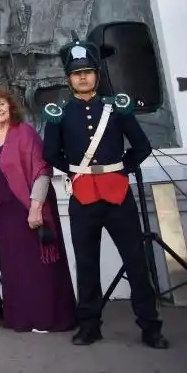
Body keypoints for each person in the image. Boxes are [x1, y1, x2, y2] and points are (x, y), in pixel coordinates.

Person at [42, 38, 168, 349]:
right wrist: (76, 171)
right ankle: (89, 325)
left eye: (87, 71)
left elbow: (142, 146)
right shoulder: (60, 113)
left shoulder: (116, 108)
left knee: (136, 263)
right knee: (86, 264)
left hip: (117, 195)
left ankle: (150, 327)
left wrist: (120, 170)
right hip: (83, 196)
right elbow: (50, 152)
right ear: (68, 78)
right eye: (76, 73)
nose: (82, 77)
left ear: (97, 74)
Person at [0, 87, 76, 333]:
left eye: (2, 104)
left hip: (27, 206)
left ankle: (47, 318)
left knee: (38, 266)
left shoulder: (25, 133)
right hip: (3, 211)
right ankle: (21, 318)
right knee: (16, 267)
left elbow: (42, 170)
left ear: (11, 106)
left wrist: (35, 208)